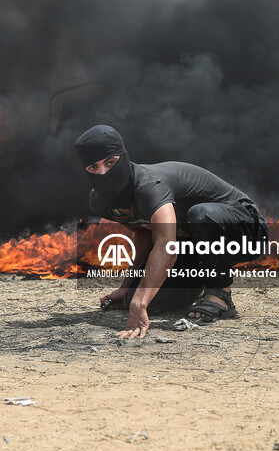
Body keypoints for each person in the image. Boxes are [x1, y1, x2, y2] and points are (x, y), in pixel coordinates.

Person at [74, 125, 268, 339]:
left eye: (110, 162)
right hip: (194, 244)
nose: (103, 173)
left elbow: (166, 246)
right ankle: (199, 284)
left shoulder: (148, 186)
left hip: (246, 230)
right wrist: (127, 289)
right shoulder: (100, 201)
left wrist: (139, 304)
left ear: (124, 157)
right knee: (144, 300)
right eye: (93, 167)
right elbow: (144, 234)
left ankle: (220, 292)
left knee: (201, 215)